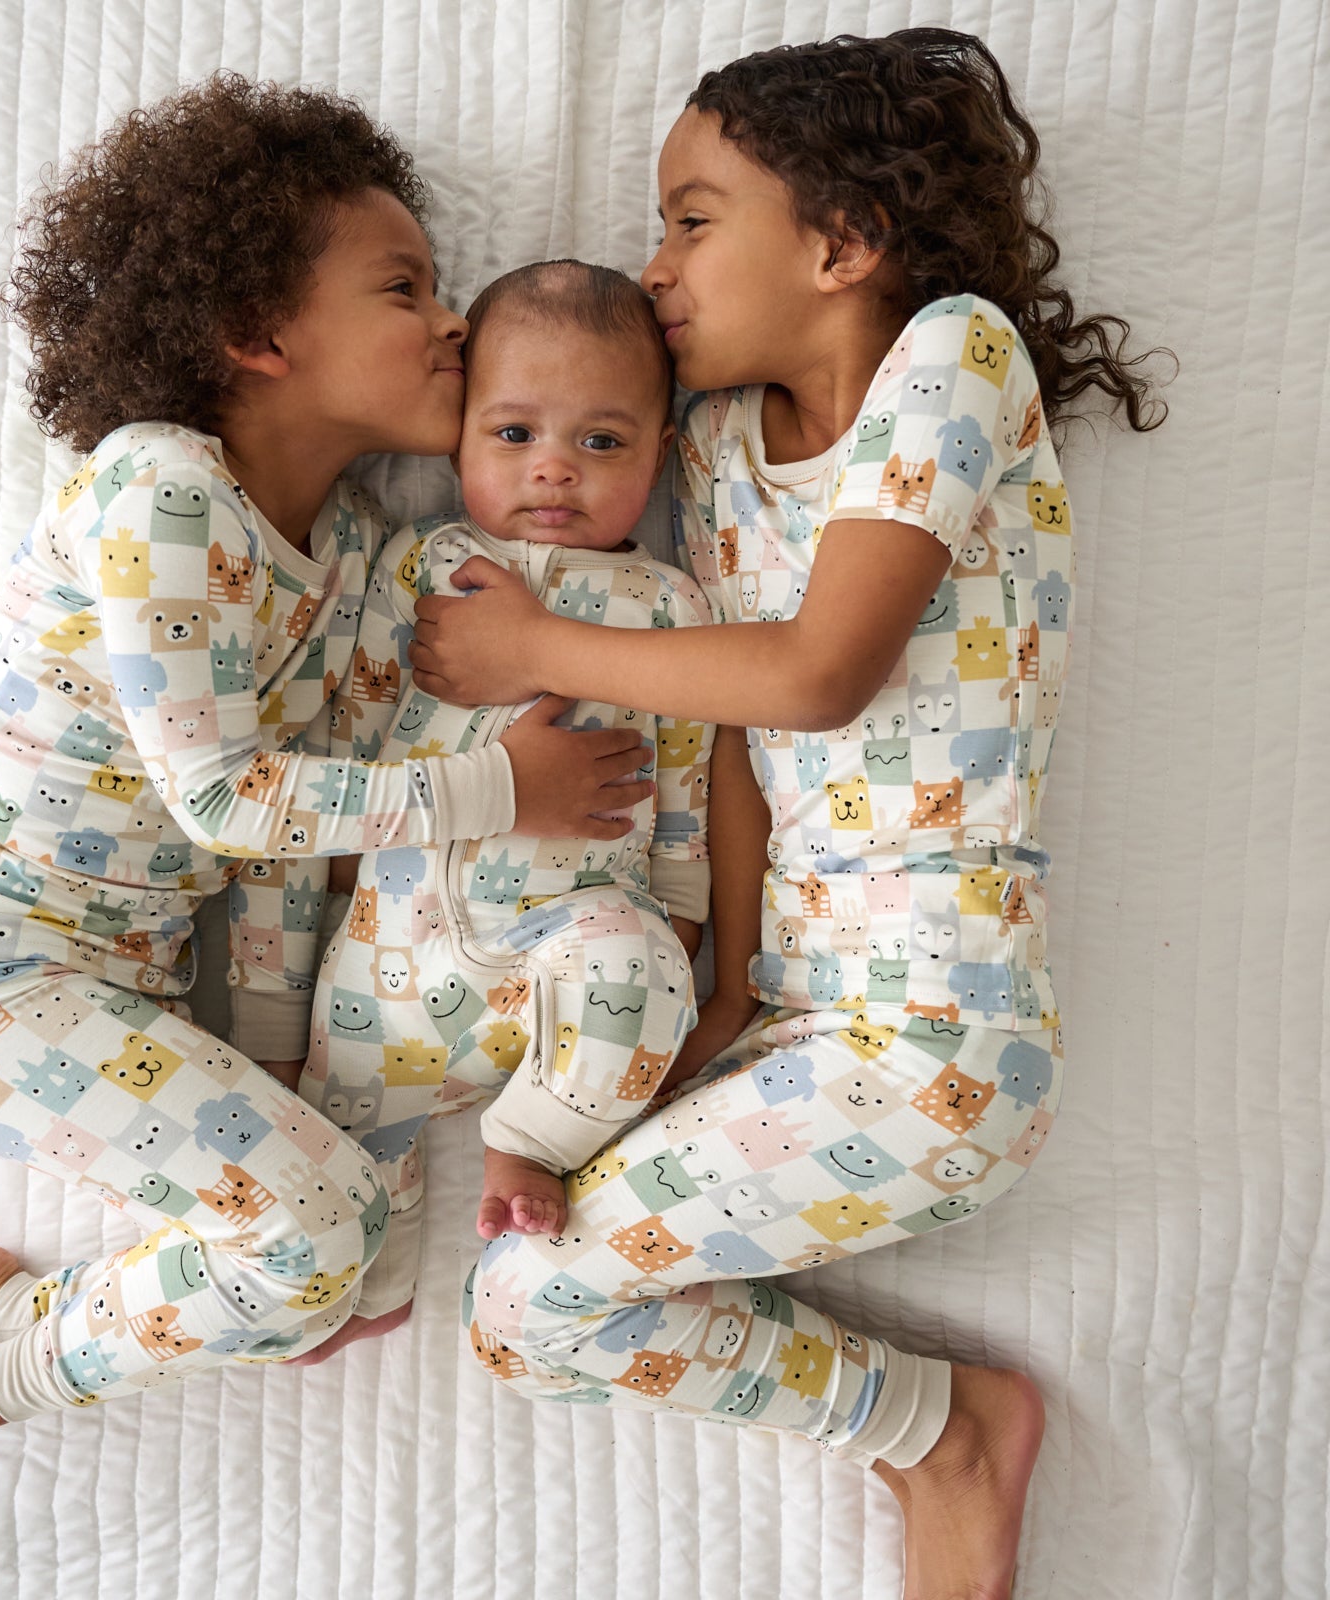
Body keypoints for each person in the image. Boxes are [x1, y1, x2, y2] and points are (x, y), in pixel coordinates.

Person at [403, 30, 1167, 1598]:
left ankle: (947, 1438)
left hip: (936, 1042)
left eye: (692, 217)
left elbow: (816, 675)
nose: (653, 263)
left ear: (841, 241)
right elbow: (731, 742)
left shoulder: (949, 358)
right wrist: (730, 983)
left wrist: (533, 647)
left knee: (527, 1302)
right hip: (793, 1013)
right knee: (523, 1306)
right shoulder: (706, 443)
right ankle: (933, 1426)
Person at [0, 75, 650, 1437]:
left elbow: (301, 869)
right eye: (405, 289)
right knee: (317, 1254)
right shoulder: (162, 487)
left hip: (139, 984)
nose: (454, 325)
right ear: (258, 334)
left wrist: (296, 1078)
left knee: (338, 1273)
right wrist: (500, 794)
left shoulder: (361, 551)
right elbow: (228, 799)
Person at [296, 263, 715, 1342]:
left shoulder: (668, 606)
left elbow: (683, 791)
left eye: (602, 442)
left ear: (660, 454)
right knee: (342, 1195)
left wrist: (673, 929)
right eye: (515, 433)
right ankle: (361, 1293)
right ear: (459, 435)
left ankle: (530, 1136)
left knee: (640, 973)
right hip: (388, 962)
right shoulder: (419, 566)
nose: (556, 473)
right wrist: (318, 906)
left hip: (562, 956)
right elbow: (342, 742)